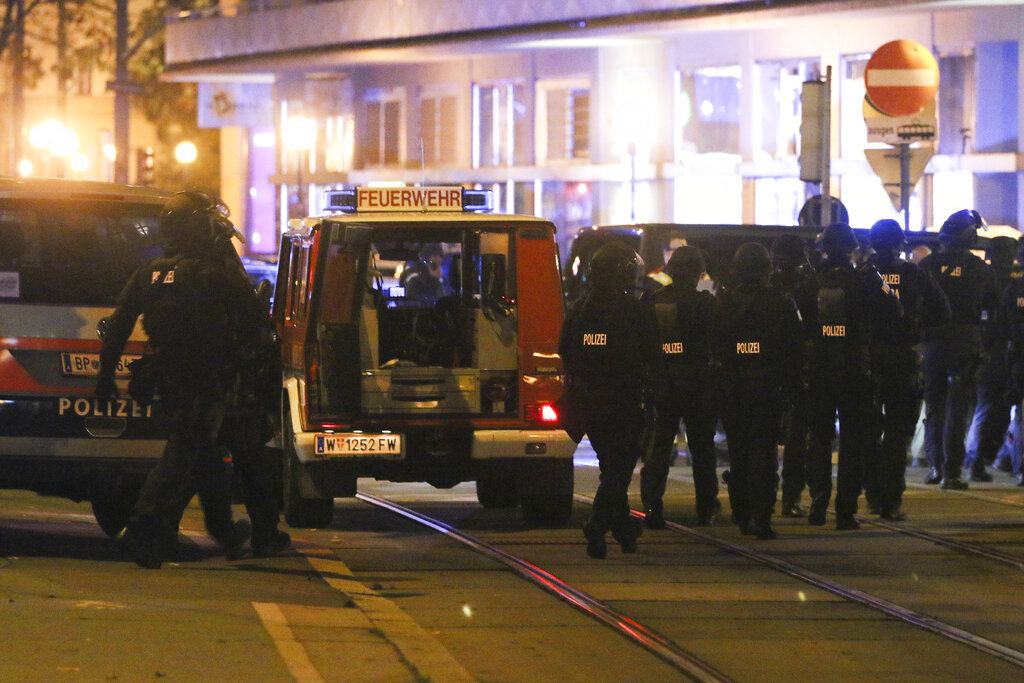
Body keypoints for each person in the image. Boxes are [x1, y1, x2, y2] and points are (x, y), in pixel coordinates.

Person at [95, 191, 265, 568]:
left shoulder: (150, 272)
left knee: (205, 455)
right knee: (184, 454)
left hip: (168, 377)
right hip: (209, 377)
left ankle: (224, 529)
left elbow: (119, 324)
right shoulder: (212, 272)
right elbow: (254, 318)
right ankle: (141, 529)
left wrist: (106, 375)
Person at [559, 243, 665, 559]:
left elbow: (565, 351)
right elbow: (653, 356)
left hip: (589, 402)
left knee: (612, 466)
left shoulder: (579, 310)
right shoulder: (634, 309)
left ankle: (624, 530)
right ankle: (598, 522)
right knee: (620, 468)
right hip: (625, 401)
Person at [804, 223, 903, 530]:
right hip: (855, 370)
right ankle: (845, 510)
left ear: (823, 248)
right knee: (853, 442)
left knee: (818, 438)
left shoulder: (808, 281)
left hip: (817, 369)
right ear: (853, 249)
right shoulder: (866, 279)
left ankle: (818, 502)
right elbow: (896, 308)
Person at [712, 243, 803, 539]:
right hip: (767, 387)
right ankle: (761, 517)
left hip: (732, 387)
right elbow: (795, 349)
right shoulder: (781, 303)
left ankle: (741, 511)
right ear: (767, 270)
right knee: (763, 453)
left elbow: (714, 346)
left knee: (738, 453)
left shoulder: (723, 302)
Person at [864, 219, 950, 521]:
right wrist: (916, 326)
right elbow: (943, 310)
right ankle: (891, 501)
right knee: (898, 433)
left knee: (869, 430)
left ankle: (873, 496)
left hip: (868, 360)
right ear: (900, 243)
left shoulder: (863, 274)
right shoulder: (914, 273)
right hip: (903, 359)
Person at [918, 210, 999, 490]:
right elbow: (992, 305)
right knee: (958, 408)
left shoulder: (927, 265)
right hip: (965, 343)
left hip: (932, 343)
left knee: (935, 405)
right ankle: (952, 472)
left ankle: (935, 467)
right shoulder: (979, 269)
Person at [640, 246, 719, 529]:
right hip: (698, 386)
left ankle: (651, 505)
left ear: (670, 271)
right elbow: (716, 345)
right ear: (699, 273)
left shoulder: (651, 302)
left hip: (662, 384)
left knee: (659, 447)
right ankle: (706, 508)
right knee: (702, 450)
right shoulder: (706, 304)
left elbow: (644, 347)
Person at [768, 233, 818, 517]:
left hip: (767, 372)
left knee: (763, 438)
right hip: (799, 371)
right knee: (799, 437)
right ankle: (791, 499)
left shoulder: (761, 286)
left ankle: (762, 495)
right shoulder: (811, 287)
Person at [963, 235, 1019, 482]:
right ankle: (992, 457)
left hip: (986, 351)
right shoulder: (1010, 284)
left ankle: (979, 458)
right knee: (1000, 408)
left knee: (984, 409)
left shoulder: (982, 279)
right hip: (1003, 353)